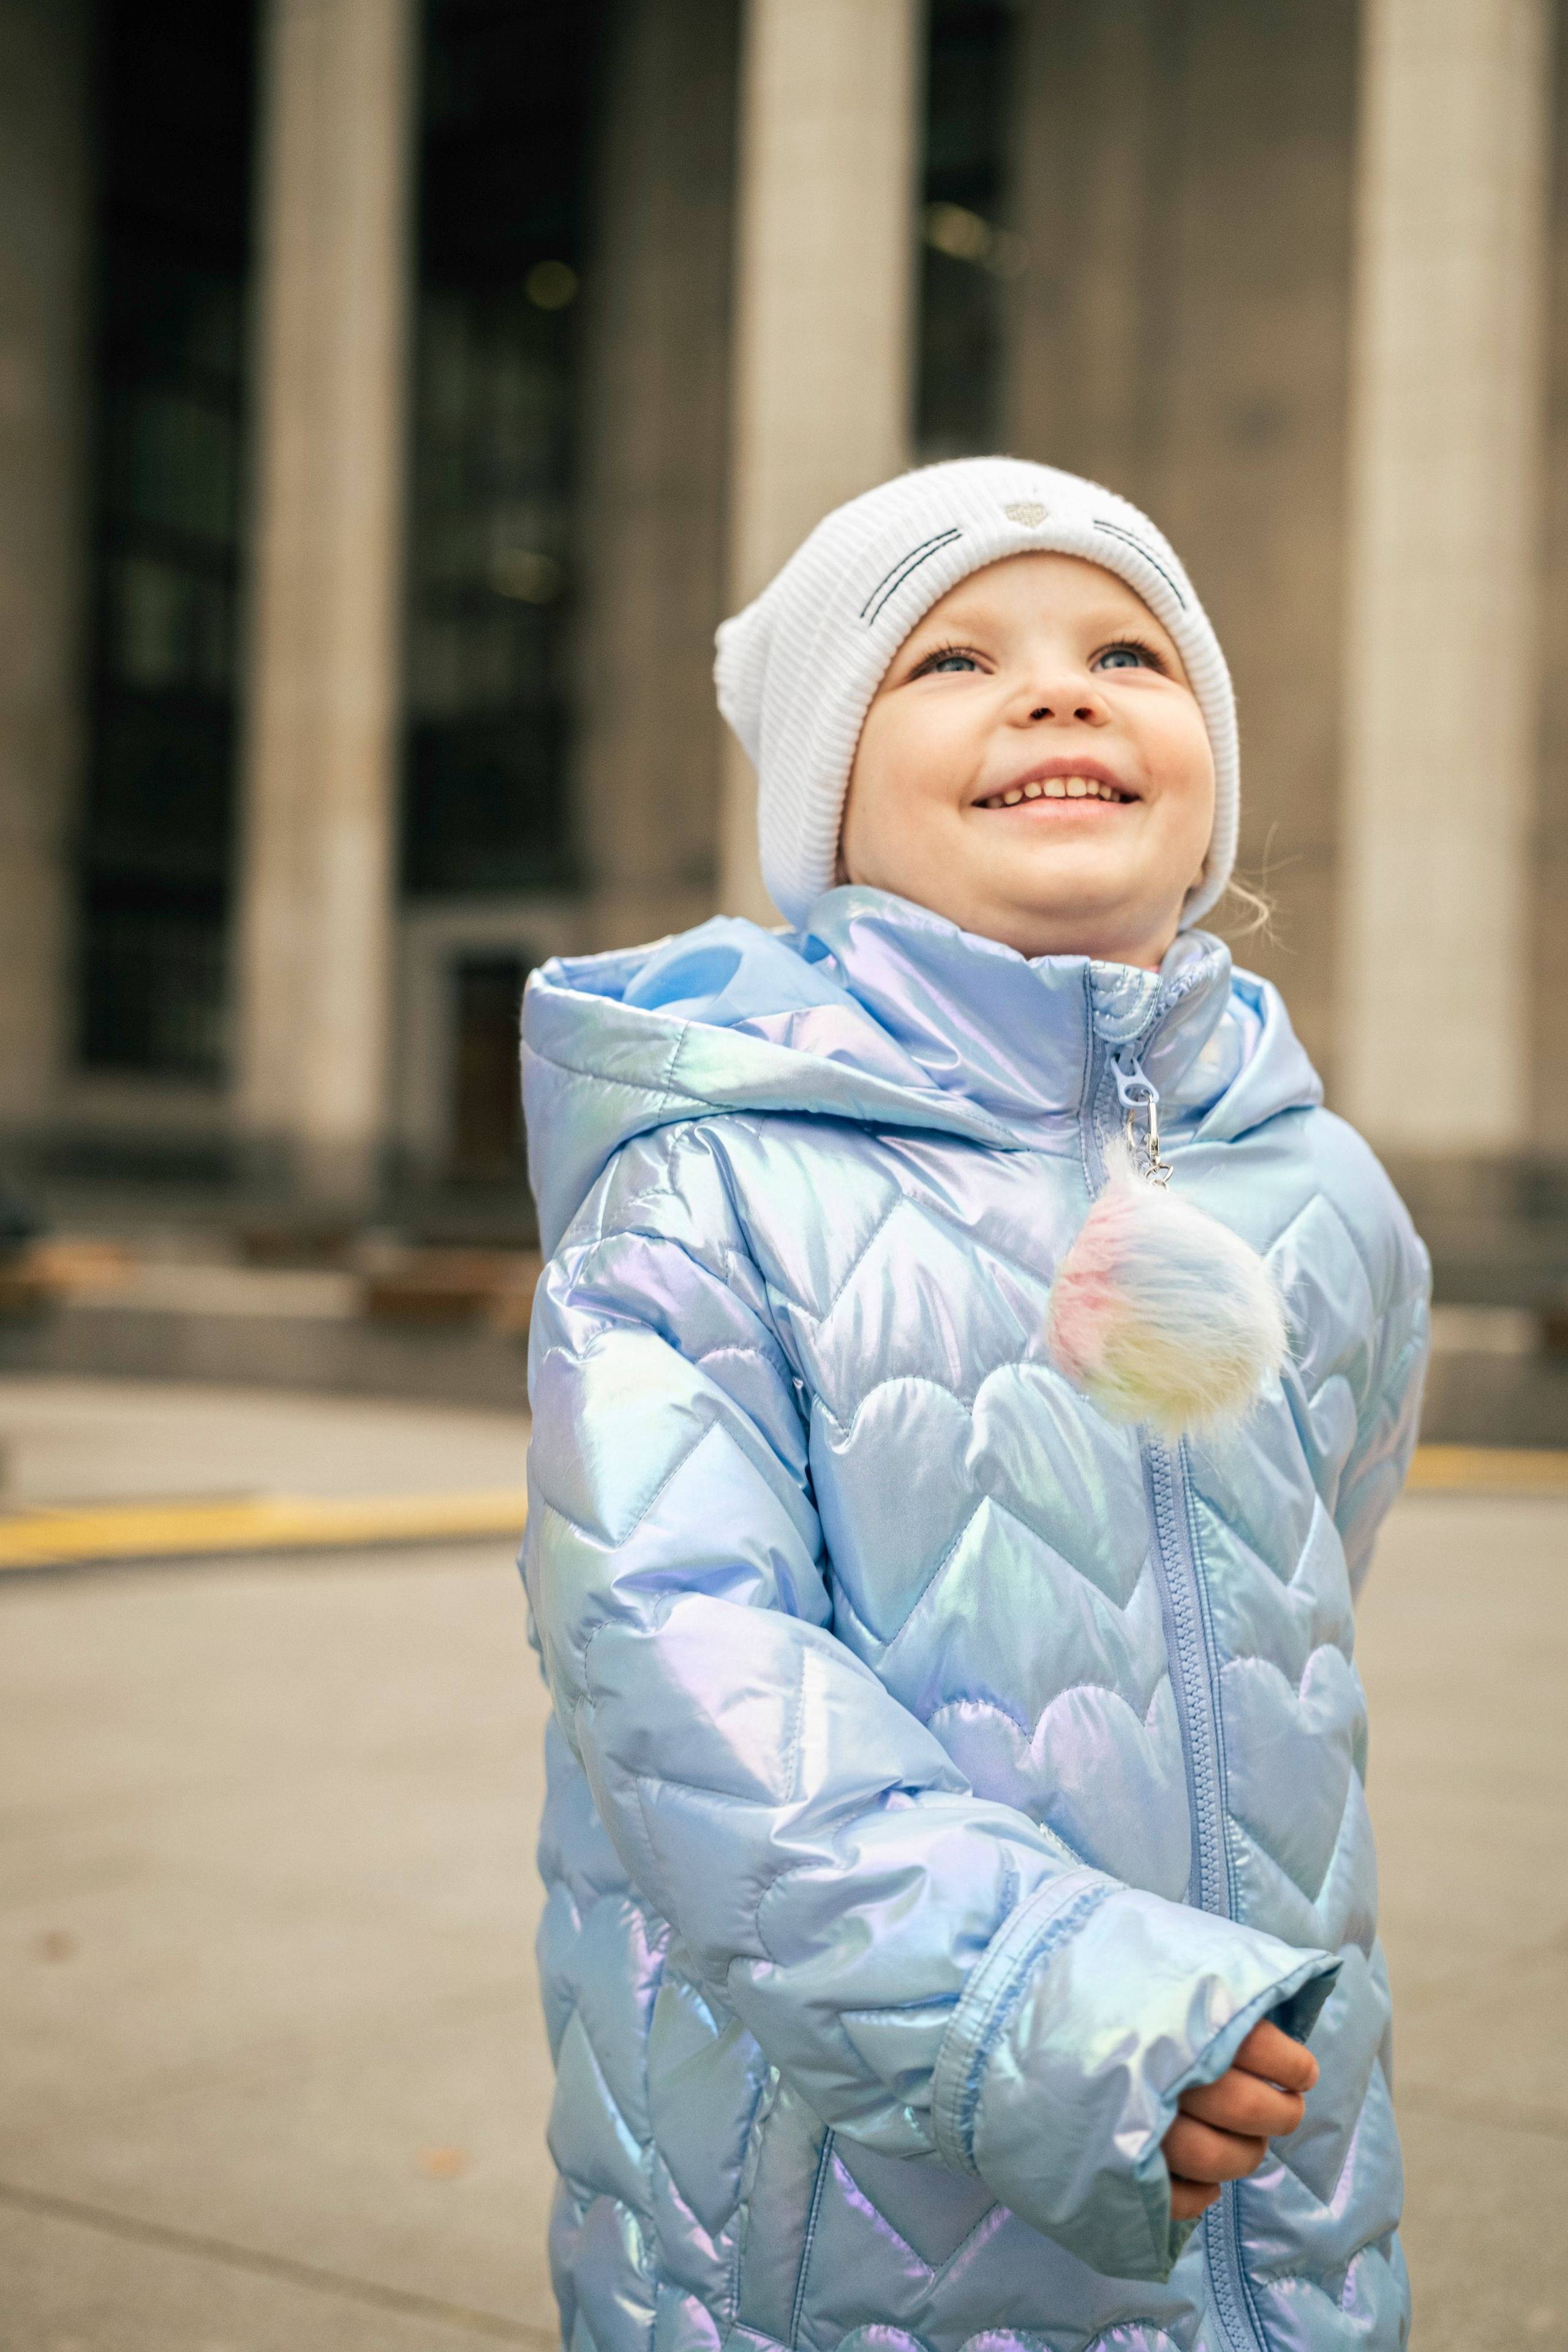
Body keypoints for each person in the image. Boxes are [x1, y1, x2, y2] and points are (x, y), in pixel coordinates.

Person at [520, 458, 1428, 2352]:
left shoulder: (1322, 1195)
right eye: (951, 659)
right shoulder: (716, 1185)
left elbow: (1305, 1576)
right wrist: (1040, 1992)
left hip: (1270, 2153)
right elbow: (677, 1662)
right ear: (830, 811)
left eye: (1125, 648)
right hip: (844, 2199)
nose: (1059, 688)